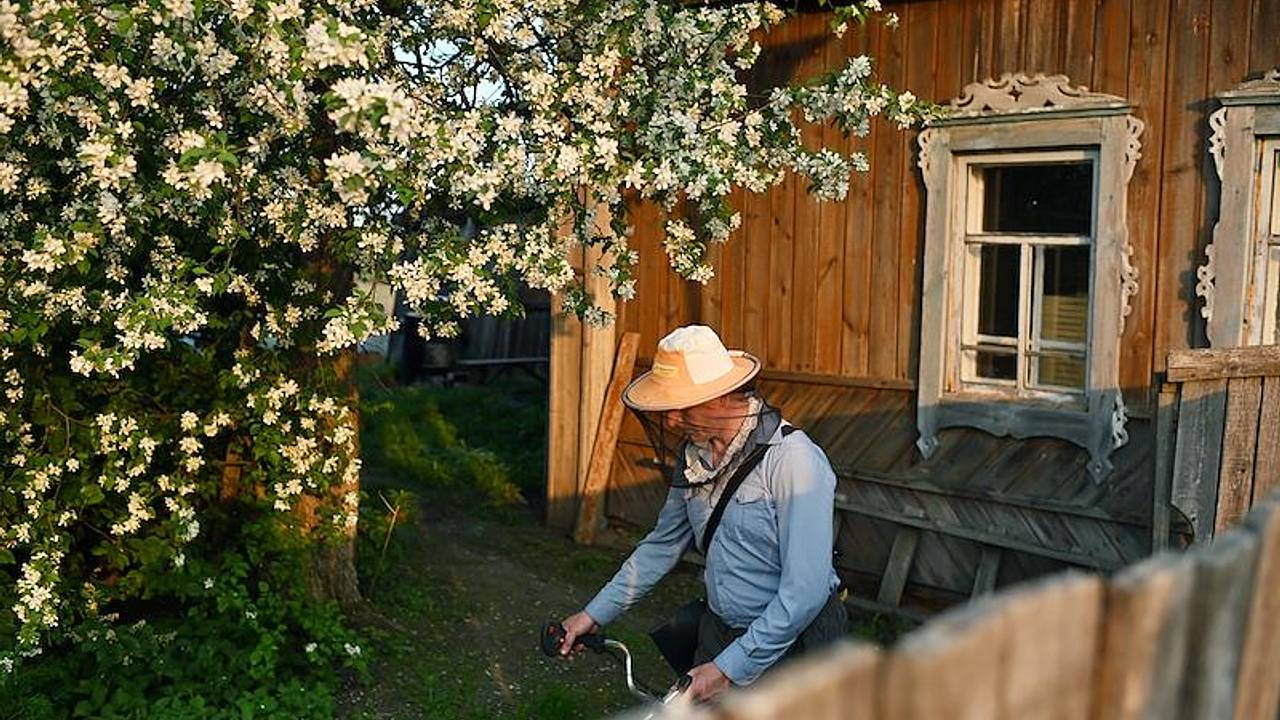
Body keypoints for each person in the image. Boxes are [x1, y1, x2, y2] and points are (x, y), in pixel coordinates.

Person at [557, 325, 845, 703]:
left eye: (683, 406)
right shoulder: (693, 459)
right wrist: (592, 615)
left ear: (723, 396)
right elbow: (660, 546)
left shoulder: (794, 461)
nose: (673, 420)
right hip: (720, 633)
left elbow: (803, 592)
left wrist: (727, 669)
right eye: (667, 408)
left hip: (796, 644)